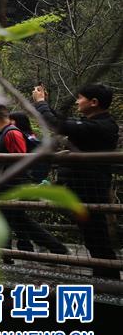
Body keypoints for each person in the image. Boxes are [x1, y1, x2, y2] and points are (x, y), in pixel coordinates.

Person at [32, 83, 119, 278]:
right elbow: (63, 123)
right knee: (94, 236)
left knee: (96, 236)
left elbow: (57, 125)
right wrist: (43, 103)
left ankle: (108, 279)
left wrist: (41, 103)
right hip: (83, 187)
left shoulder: (100, 126)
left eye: (80, 98)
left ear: (94, 102)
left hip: (89, 188)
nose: (77, 102)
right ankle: (105, 275)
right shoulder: (95, 124)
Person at [0, 104, 68, 256]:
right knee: (17, 219)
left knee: (10, 218)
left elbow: (21, 161)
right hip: (6, 183)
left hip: (13, 185)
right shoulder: (3, 133)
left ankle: (8, 254)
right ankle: (43, 249)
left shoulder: (12, 133)